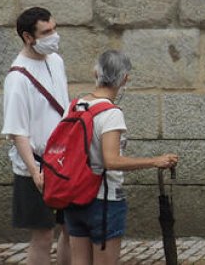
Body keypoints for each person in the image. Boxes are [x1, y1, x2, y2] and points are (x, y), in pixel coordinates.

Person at [65, 50, 180, 265]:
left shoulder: (74, 106)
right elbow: (112, 161)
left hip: (74, 197)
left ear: (95, 73)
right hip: (104, 200)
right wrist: (154, 161)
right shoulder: (111, 114)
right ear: (125, 79)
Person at [1, 6, 72, 265]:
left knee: (71, 230)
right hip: (36, 166)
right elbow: (17, 131)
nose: (54, 36)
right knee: (43, 234)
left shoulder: (56, 61)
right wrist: (34, 171)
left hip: (64, 162)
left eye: (54, 28)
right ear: (28, 37)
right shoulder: (17, 78)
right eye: (46, 32)